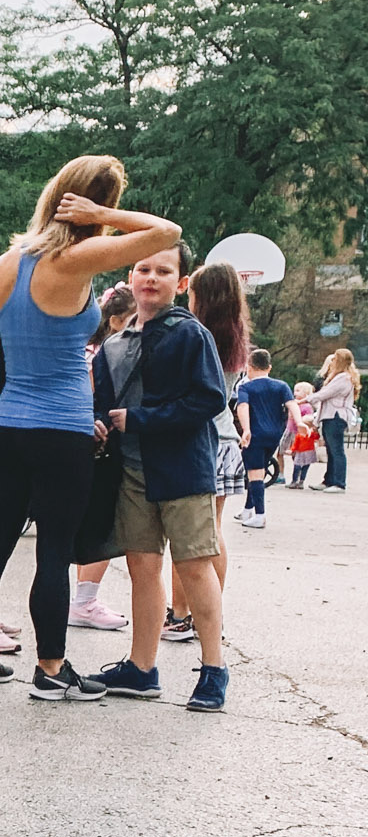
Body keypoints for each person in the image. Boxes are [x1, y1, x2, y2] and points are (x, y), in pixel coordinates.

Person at [0, 156, 183, 701]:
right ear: (91, 204)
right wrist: (103, 213)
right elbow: (168, 233)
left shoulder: (6, 263)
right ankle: (52, 668)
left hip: (7, 425)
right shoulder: (79, 257)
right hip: (61, 431)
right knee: (55, 552)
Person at [89, 244, 230, 712]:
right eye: (143, 268)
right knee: (142, 569)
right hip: (130, 472)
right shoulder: (113, 343)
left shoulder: (191, 335)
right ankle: (142, 667)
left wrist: (141, 420)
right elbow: (101, 403)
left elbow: (210, 399)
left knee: (194, 566)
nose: (151, 278)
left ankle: (214, 668)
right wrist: (97, 425)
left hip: (183, 470)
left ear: (182, 282)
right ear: (130, 276)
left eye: (163, 271)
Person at [164, 261, 250, 638]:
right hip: (227, 440)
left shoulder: (197, 336)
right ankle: (205, 614)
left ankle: (181, 612)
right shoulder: (236, 336)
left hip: (201, 442)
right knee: (211, 535)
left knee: (188, 539)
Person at [68, 283, 140, 634]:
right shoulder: (107, 354)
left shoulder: (87, 349)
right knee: (104, 524)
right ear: (115, 321)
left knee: (90, 523)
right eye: (133, 320)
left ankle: (83, 599)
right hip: (101, 445)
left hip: (84, 444)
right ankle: (84, 600)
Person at [233, 345, 294, 529]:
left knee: (254, 473)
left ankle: (260, 514)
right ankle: (248, 508)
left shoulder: (246, 387)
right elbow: (291, 406)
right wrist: (299, 423)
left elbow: (242, 408)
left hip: (255, 433)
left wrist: (245, 429)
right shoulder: (281, 385)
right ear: (269, 367)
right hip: (274, 433)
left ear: (248, 367)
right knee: (258, 470)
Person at [314, 348, 359, 491]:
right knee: (331, 450)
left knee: (336, 450)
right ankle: (329, 479)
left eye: (335, 359)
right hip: (330, 415)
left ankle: (339, 483)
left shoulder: (343, 378)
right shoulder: (339, 376)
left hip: (336, 416)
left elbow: (325, 394)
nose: (332, 361)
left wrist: (303, 400)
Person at [287, 384, 318, 487]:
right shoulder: (303, 435)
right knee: (301, 466)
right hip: (304, 451)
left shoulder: (305, 434)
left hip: (304, 451)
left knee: (300, 466)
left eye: (298, 391)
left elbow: (316, 437)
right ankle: (297, 481)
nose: (295, 393)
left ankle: (298, 481)